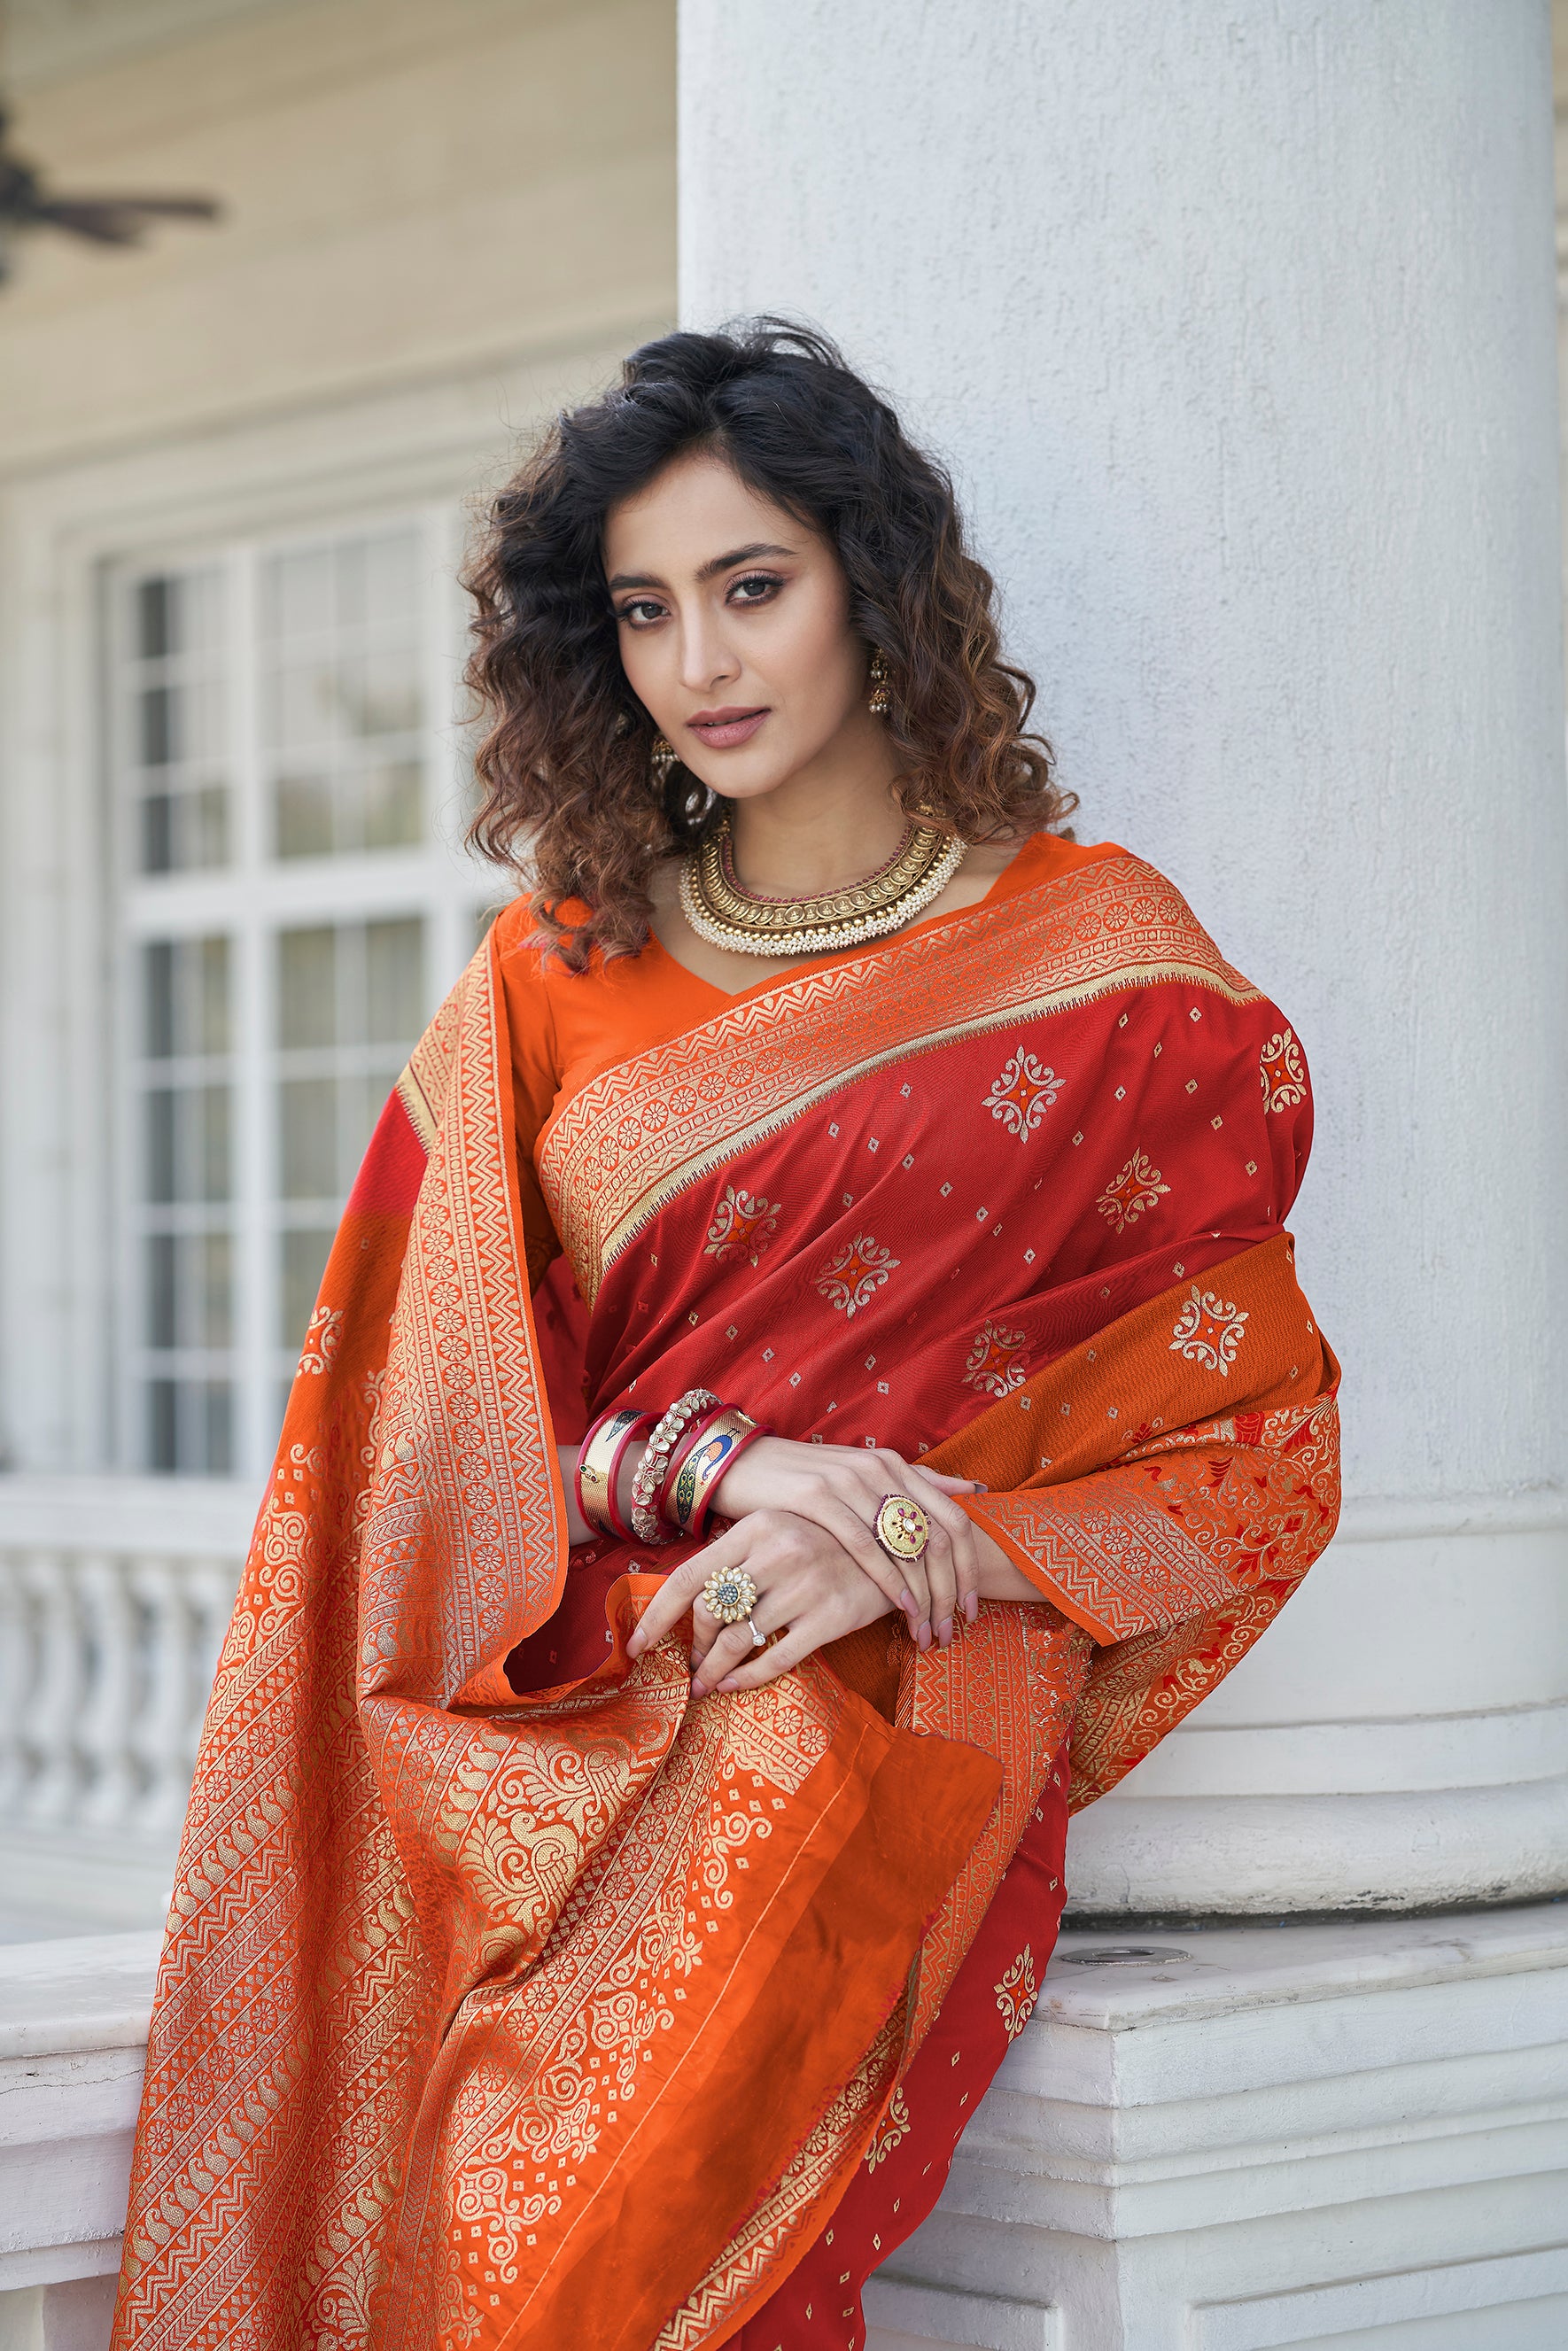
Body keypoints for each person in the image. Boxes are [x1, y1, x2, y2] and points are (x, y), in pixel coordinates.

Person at [112, 322, 1339, 2351]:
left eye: (753, 586)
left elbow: (1252, 1443)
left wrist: (922, 1536)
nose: (702, 660)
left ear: (876, 583)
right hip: (558, 1729)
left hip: (876, 1712)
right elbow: (412, 1442)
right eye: (645, 610)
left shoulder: (1111, 976)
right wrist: (728, 1464)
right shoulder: (547, 981)